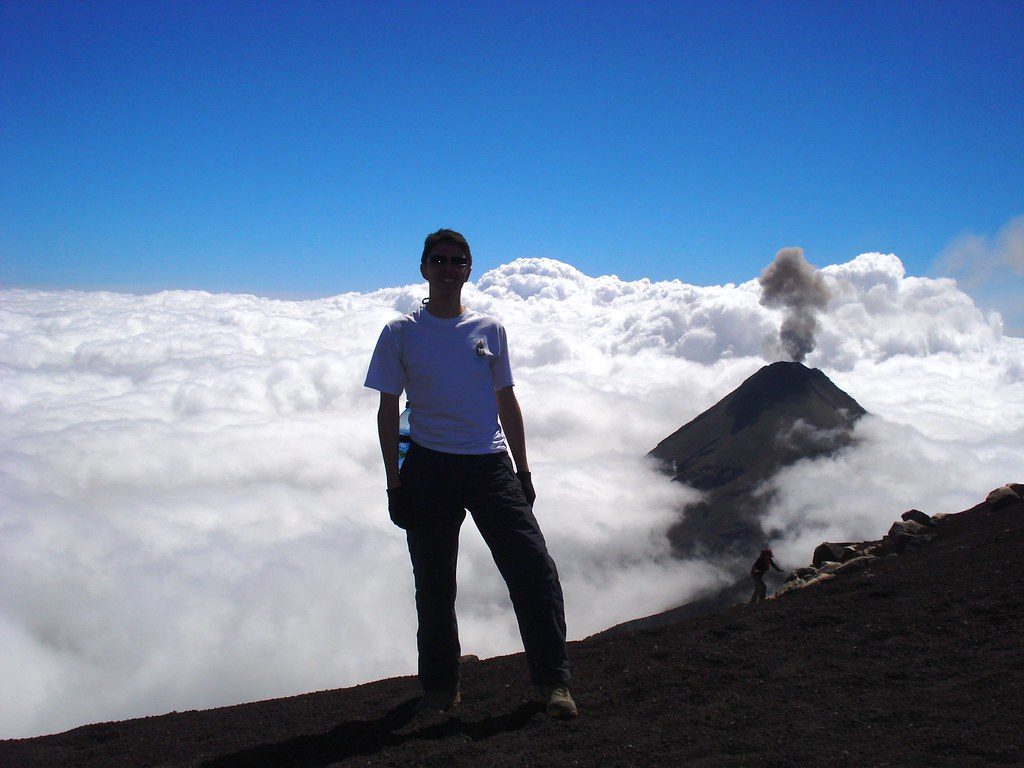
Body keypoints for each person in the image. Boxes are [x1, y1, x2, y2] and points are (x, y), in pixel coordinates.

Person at [364, 228, 576, 720]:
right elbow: (387, 410)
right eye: (439, 259)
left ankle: (553, 683)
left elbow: (507, 402)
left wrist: (523, 471)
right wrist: (395, 483)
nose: (448, 267)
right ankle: (440, 689)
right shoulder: (401, 332)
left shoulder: (490, 330)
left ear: (468, 269)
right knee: (435, 585)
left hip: (488, 463)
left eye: (457, 260)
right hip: (428, 464)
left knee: (534, 570)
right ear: (423, 267)